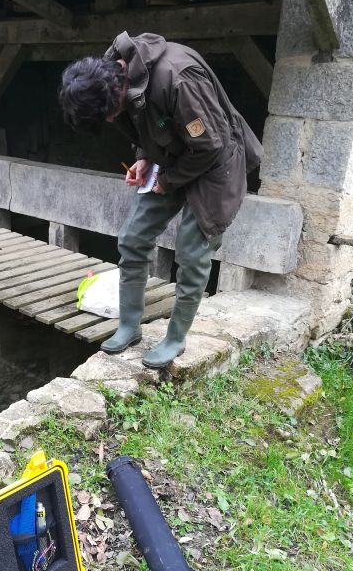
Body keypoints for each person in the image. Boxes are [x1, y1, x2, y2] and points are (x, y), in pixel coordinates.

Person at [59, 31, 263, 368]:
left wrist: (167, 181)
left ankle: (175, 338)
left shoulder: (177, 78)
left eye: (108, 115)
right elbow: (144, 121)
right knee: (133, 237)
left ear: (114, 93)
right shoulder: (114, 77)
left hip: (216, 163)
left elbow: (211, 145)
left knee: (191, 252)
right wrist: (143, 157)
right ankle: (129, 325)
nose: (111, 120)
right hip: (173, 157)